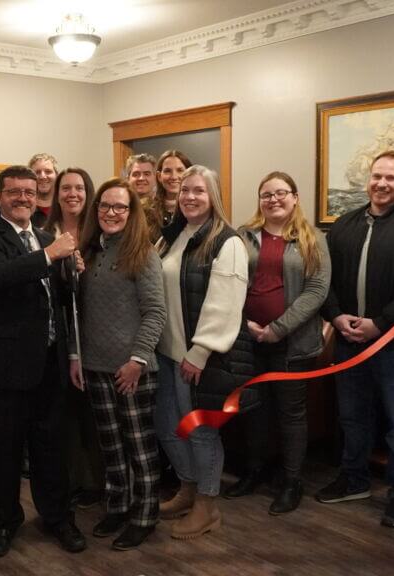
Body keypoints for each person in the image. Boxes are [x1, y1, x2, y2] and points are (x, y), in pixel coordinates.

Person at [316, 150, 394, 529]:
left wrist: (379, 324)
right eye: (377, 176)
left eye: (392, 178)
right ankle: (354, 479)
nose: (382, 184)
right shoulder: (343, 226)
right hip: (348, 341)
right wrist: (337, 317)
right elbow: (326, 282)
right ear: (367, 179)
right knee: (352, 418)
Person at [0, 165, 86, 558]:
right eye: (14, 191)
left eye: (29, 191)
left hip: (50, 364)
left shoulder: (44, 236)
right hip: (6, 369)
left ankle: (57, 517)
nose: (22, 198)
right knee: (5, 450)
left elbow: (57, 300)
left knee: (51, 448)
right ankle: (5, 519)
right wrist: (50, 255)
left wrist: (71, 271)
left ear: (39, 195)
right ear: (0, 195)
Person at [224, 171, 330, 515]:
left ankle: (291, 480)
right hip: (248, 340)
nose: (273, 199)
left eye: (281, 193)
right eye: (266, 194)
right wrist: (247, 326)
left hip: (293, 343)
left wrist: (278, 328)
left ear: (295, 197)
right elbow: (229, 284)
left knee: (291, 413)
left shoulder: (312, 238)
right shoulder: (243, 236)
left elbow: (316, 291)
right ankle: (255, 470)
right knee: (254, 409)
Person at [154, 164, 250, 540]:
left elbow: (224, 303)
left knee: (199, 432)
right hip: (164, 351)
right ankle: (188, 487)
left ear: (213, 197)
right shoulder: (172, 237)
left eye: (199, 191)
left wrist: (200, 351)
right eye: (185, 191)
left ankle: (208, 506)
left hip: (195, 357)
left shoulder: (227, 242)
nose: (190, 197)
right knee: (166, 426)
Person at [72, 177, 166, 550]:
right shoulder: (90, 251)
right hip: (95, 366)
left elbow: (155, 312)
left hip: (132, 370)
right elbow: (79, 311)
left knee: (139, 449)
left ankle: (144, 516)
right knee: (111, 447)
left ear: (132, 213)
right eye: (105, 206)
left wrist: (137, 360)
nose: (111, 213)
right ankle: (118, 504)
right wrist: (77, 356)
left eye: (120, 207)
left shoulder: (143, 253)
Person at [43, 167, 104, 510]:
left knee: (94, 415)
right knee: (66, 413)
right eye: (65, 188)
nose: (72, 194)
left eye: (79, 188)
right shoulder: (44, 233)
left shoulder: (99, 232)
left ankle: (99, 480)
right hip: (61, 334)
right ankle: (75, 480)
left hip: (96, 331)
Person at [124, 153, 163, 242]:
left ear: (155, 178)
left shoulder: (164, 209)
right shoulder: (120, 207)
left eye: (147, 174)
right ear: (128, 178)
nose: (141, 178)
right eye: (136, 174)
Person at [155, 150, 192, 227]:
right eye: (167, 171)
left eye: (180, 170)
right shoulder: (147, 211)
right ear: (159, 176)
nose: (174, 177)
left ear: (189, 174)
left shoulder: (197, 208)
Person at [29, 152, 58, 227]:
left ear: (57, 175)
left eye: (48, 171)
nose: (43, 176)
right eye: (37, 172)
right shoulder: (25, 208)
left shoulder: (65, 207)